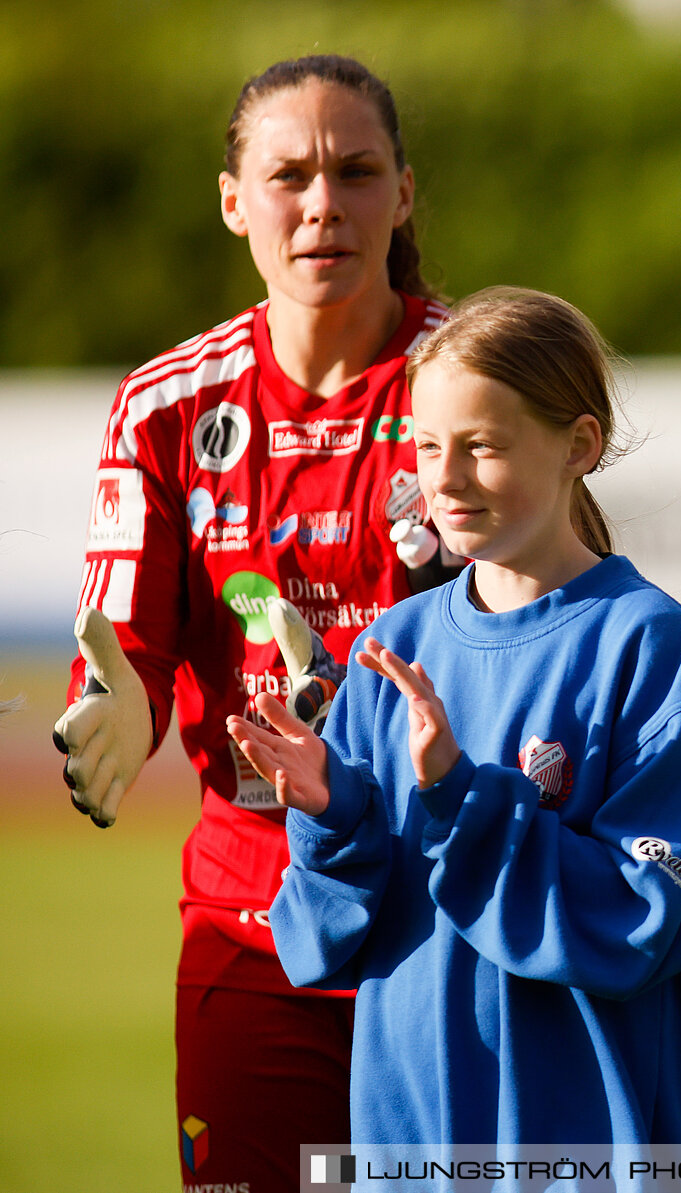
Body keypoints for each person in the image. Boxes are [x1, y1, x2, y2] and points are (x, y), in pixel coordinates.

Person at [225, 287, 681, 1149]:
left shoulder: (645, 643)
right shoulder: (391, 645)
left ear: (577, 445)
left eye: (482, 446)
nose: (443, 477)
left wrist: (460, 794)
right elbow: (319, 943)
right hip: (413, 1142)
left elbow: (644, 919)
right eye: (428, 445)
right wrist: (335, 816)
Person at [52, 55, 459, 1190]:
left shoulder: (477, 377)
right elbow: (123, 648)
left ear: (404, 193)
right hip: (252, 917)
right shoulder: (168, 406)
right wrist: (119, 710)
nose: (324, 202)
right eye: (290, 175)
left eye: (357, 170)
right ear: (235, 201)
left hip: (452, 914)